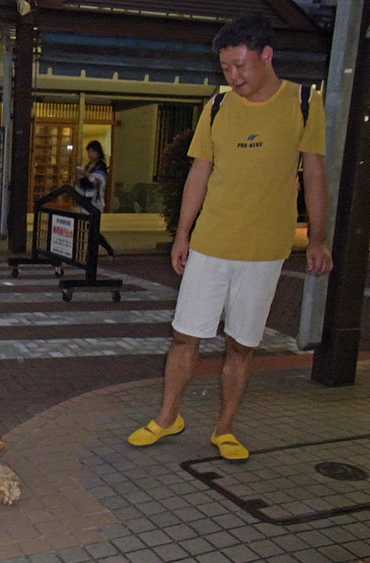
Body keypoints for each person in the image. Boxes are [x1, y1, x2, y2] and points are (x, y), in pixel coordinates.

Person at [127, 14, 332, 461]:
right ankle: (167, 416)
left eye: (241, 65)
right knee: (185, 336)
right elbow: (199, 171)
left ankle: (225, 428)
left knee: (241, 344)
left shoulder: (302, 102)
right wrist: (182, 233)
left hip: (265, 249)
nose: (234, 77)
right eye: (226, 69)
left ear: (266, 55)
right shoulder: (217, 106)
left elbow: (314, 172)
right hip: (210, 243)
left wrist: (318, 238)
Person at [74, 140, 116, 257]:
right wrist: (78, 178)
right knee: (91, 229)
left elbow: (97, 182)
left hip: (95, 201)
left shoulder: (101, 166)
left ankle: (101, 250)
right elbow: (83, 183)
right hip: (86, 200)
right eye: (89, 152)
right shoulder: (88, 165)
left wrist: (85, 174)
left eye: (92, 151)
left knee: (92, 228)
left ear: (98, 152)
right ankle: (96, 251)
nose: (90, 154)